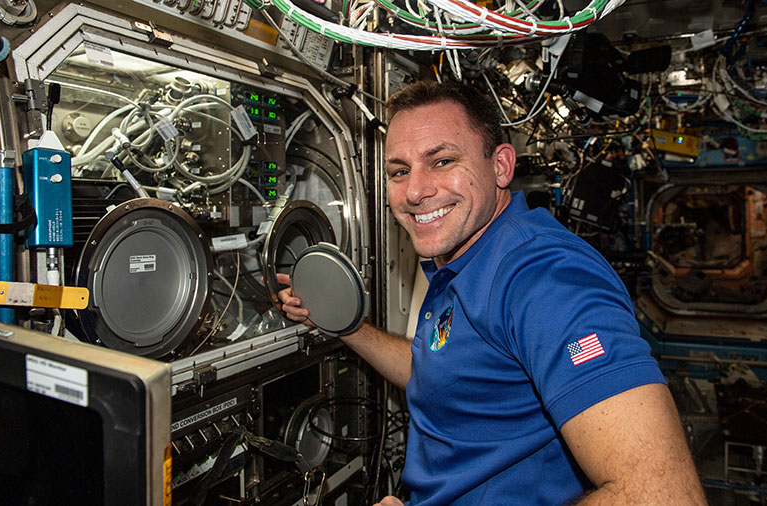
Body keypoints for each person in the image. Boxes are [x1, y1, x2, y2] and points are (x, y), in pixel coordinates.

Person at [277, 81, 707, 505]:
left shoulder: (545, 279)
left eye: (442, 161)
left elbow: (664, 495)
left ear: (501, 166)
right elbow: (444, 370)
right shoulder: (466, 259)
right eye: (399, 171)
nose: (414, 191)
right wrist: (347, 326)